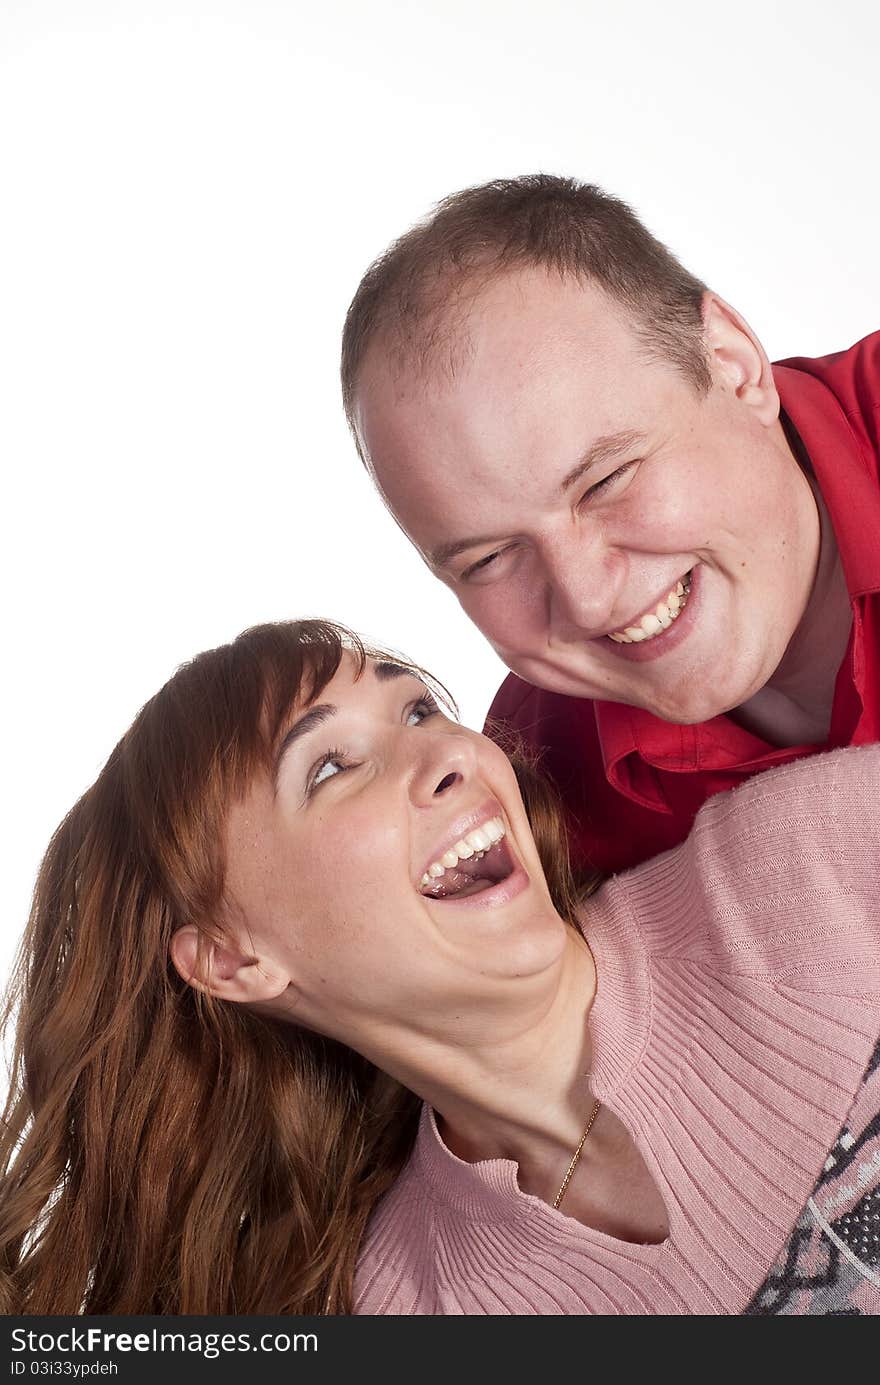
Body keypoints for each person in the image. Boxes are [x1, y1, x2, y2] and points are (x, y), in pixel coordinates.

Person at [1, 619, 878, 1316]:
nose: (454, 753)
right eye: (332, 767)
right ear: (234, 959)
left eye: (421, 710)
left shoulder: (806, 862)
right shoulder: (400, 1308)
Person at [341, 174, 880, 873]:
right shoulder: (531, 791)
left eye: (605, 480)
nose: (589, 598)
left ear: (731, 364)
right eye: (488, 559)